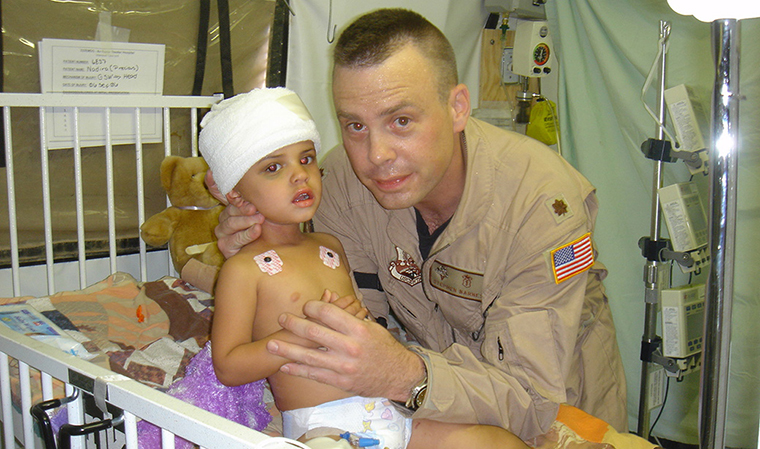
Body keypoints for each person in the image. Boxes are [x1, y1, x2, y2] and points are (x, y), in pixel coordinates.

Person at [207, 9, 628, 441]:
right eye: (354, 125)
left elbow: (531, 398)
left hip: (553, 407)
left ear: (457, 107)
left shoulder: (541, 206)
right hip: (420, 402)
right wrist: (248, 238)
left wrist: (405, 374)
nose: (376, 155)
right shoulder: (342, 186)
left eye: (401, 121)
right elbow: (352, 315)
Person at [201, 87, 529, 449]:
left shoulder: (329, 246)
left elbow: (367, 320)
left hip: (387, 407)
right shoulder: (244, 269)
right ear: (235, 194)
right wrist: (303, 337)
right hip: (324, 428)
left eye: (306, 159)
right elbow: (228, 366)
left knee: (497, 442)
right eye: (274, 168)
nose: (299, 176)